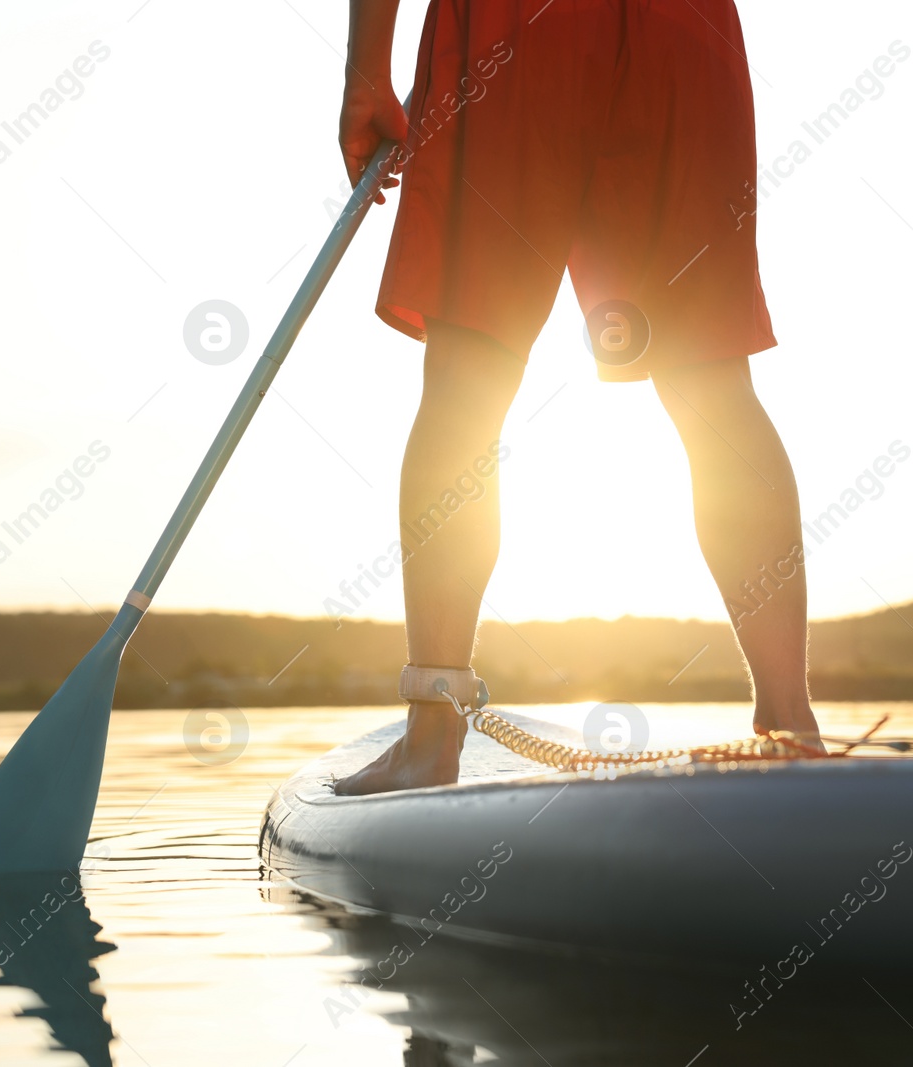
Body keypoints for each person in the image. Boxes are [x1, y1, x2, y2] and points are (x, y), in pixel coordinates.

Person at [333, 0, 821, 796]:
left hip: (512, 26)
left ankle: (434, 729)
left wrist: (365, 74)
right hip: (684, 29)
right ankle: (791, 724)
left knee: (469, 380)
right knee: (711, 382)